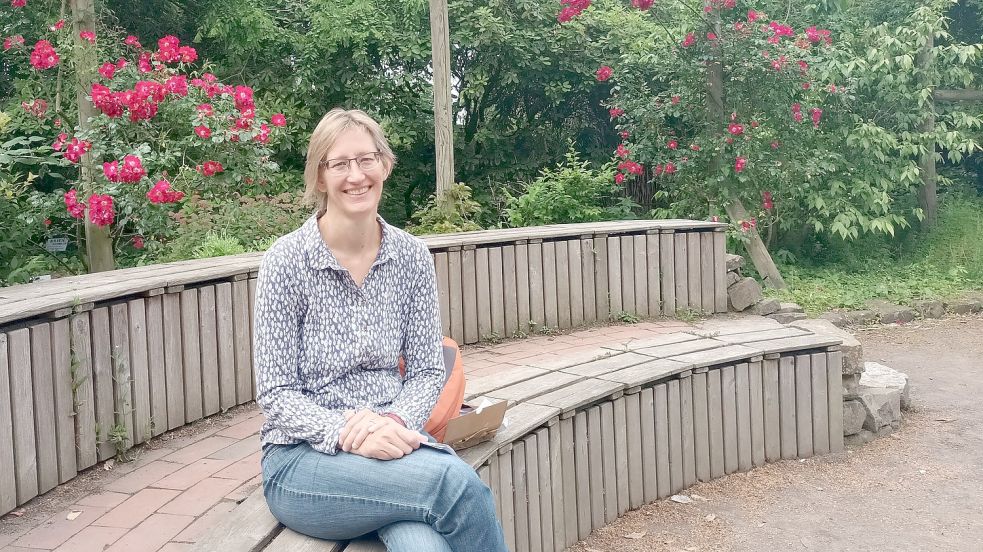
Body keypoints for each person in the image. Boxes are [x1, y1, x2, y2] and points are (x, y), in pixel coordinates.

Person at [254, 108, 508, 551]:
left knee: (423, 546)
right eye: (340, 164)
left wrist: (391, 422)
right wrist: (351, 432)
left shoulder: (411, 257)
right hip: (305, 460)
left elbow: (429, 370)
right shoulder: (286, 261)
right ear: (319, 177)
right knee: (453, 486)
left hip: (397, 445)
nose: (356, 175)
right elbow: (276, 395)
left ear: (385, 165)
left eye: (366, 159)